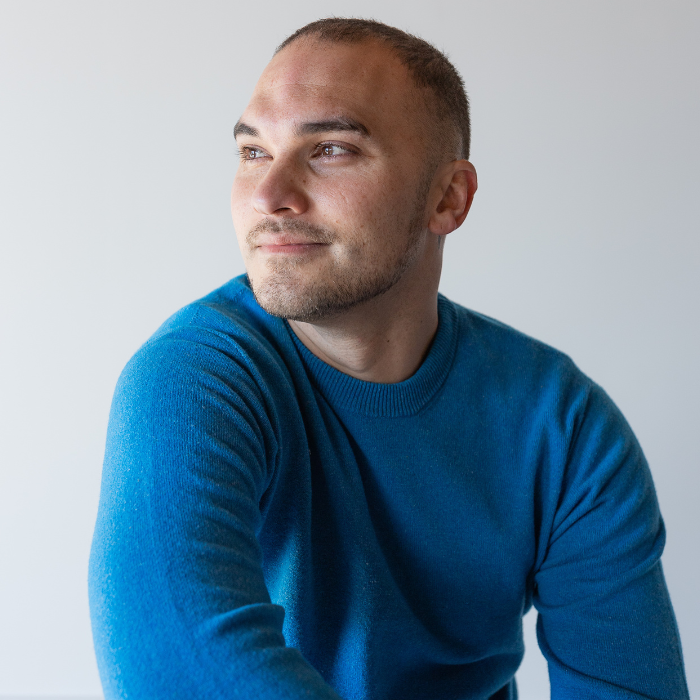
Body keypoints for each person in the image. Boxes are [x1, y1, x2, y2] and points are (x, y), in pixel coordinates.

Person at [88, 18, 689, 700]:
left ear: (447, 197)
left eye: (332, 149)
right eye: (253, 152)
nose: (268, 195)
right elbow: (181, 670)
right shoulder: (194, 382)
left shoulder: (562, 426)